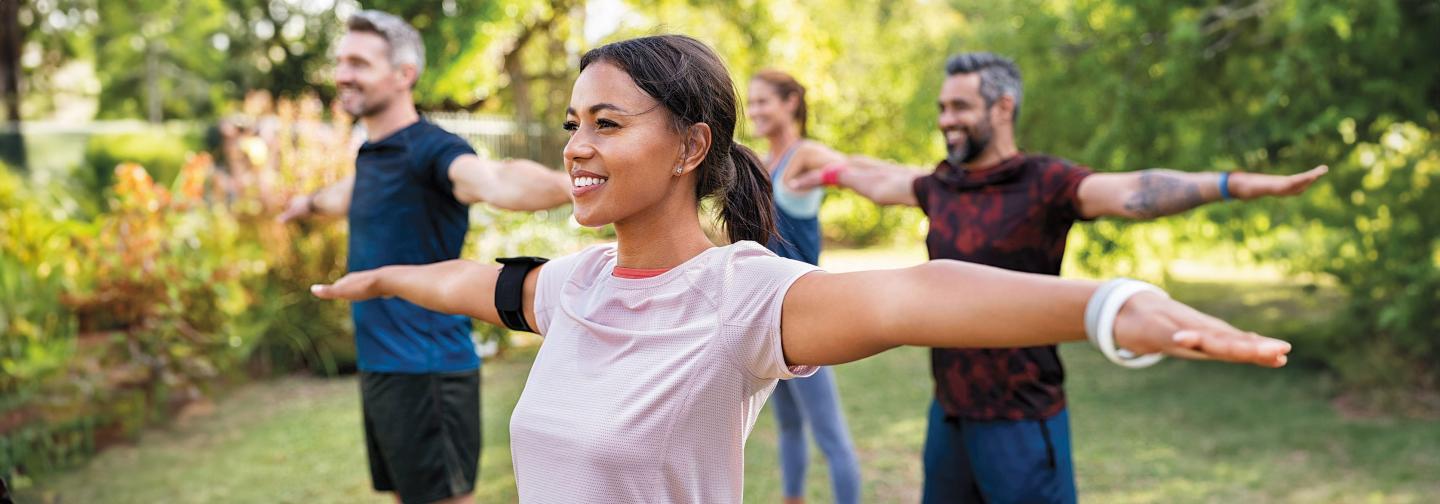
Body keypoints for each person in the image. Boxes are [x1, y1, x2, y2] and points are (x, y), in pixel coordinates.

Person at [310, 35, 1293, 503]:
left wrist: (1107, 304)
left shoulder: (742, 296)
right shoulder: (576, 288)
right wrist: (388, 278)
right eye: (573, 124)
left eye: (607, 123)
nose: (576, 144)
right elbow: (475, 282)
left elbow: (918, 294)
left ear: (692, 148)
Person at [789, 52, 1327, 504]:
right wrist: (817, 170)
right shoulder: (940, 184)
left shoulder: (1046, 182)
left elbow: (1138, 192)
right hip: (950, 414)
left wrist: (1236, 184)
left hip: (1022, 417)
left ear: (1004, 107)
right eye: (941, 108)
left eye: (959, 107)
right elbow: (875, 176)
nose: (945, 119)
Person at [276, 10, 571, 504]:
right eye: (341, 61)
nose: (343, 73)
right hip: (384, 367)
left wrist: (574, 186)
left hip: (427, 370)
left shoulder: (433, 150)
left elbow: (493, 180)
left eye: (359, 63)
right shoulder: (374, 154)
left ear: (403, 74)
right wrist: (304, 205)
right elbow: (347, 195)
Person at [746, 69, 861, 504]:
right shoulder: (761, 163)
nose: (754, 110)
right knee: (790, 427)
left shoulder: (806, 154)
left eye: (763, 102)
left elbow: (853, 169)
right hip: (767, 316)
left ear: (791, 101)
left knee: (830, 435)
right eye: (752, 102)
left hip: (807, 314)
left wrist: (828, 177)